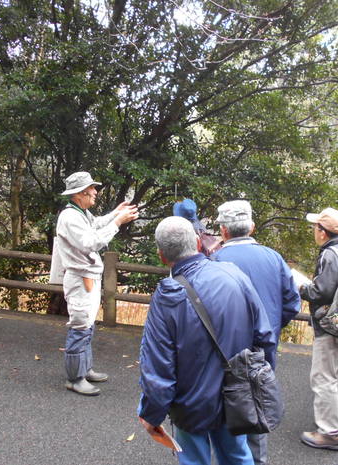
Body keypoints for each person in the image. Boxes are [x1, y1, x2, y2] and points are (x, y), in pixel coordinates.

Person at [138, 216, 275, 465]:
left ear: (161, 255)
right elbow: (264, 336)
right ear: (199, 243)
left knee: (194, 459)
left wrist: (152, 412)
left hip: (191, 401)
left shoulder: (169, 293)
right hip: (236, 393)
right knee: (237, 455)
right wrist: (260, 382)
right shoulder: (234, 274)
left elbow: (158, 365)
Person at [212, 200, 301, 465]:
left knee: (226, 406)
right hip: (264, 349)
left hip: (225, 351)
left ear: (224, 231)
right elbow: (292, 303)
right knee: (257, 405)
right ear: (251, 227)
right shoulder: (273, 257)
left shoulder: (216, 260)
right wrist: (272, 326)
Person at [49, 171, 138, 396]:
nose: (95, 192)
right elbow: (91, 242)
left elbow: (96, 225)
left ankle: (84, 369)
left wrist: (115, 213)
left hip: (86, 278)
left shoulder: (80, 213)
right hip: (80, 279)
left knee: (87, 325)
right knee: (80, 327)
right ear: (80, 193)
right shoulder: (70, 217)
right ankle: (75, 378)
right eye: (92, 189)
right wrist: (118, 221)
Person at [299, 208, 338, 451]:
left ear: (323, 232)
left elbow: (320, 292)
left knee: (323, 378)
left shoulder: (330, 255)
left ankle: (328, 432)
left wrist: (303, 287)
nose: (314, 231)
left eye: (316, 227)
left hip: (330, 325)